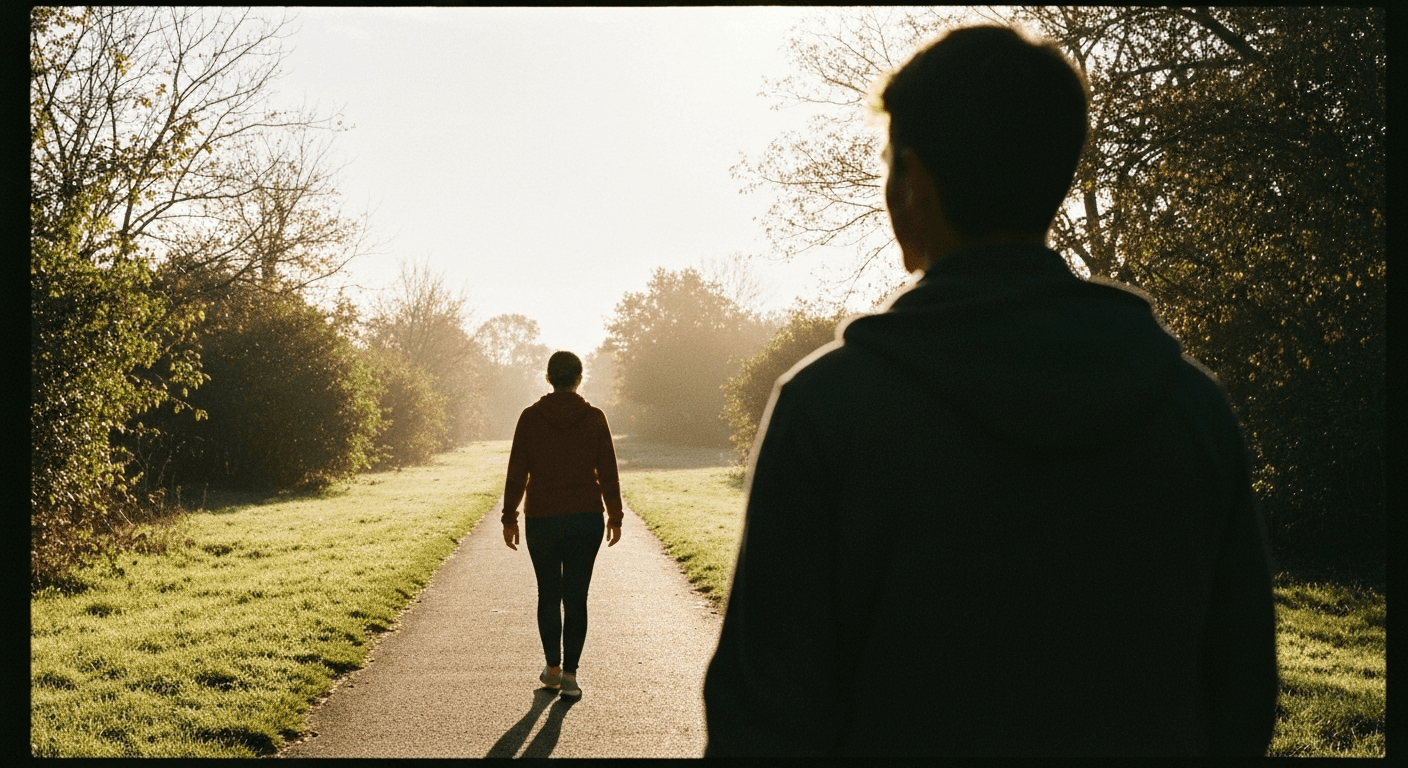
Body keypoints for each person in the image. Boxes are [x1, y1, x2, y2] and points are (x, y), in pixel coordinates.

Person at [702, 25, 1278, 757]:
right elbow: (1242, 693)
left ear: (913, 183)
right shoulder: (1190, 407)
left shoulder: (827, 407)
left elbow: (763, 710)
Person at [502, 350, 623, 700]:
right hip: (585, 517)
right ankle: (570, 676)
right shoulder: (594, 418)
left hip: (542, 517)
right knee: (576, 596)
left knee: (548, 593)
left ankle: (552, 670)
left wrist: (509, 517)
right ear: (579, 378)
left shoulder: (530, 418)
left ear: (548, 377)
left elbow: (517, 471)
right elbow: (608, 472)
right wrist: (614, 516)